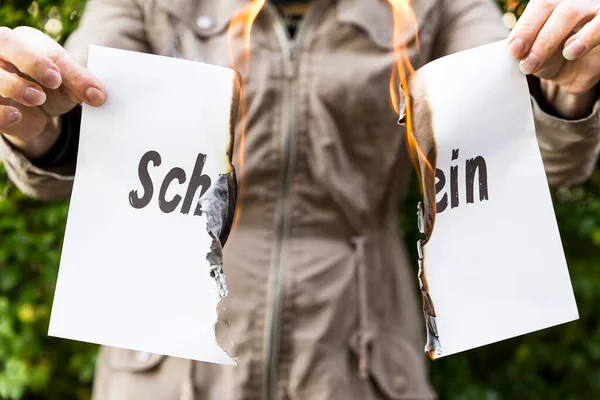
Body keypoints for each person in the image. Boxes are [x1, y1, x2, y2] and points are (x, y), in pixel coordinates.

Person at [1, 0, 599, 398]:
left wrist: (563, 86)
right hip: (170, 371)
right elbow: (79, 122)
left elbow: (531, 152)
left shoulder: (440, 7)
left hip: (359, 366)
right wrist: (39, 120)